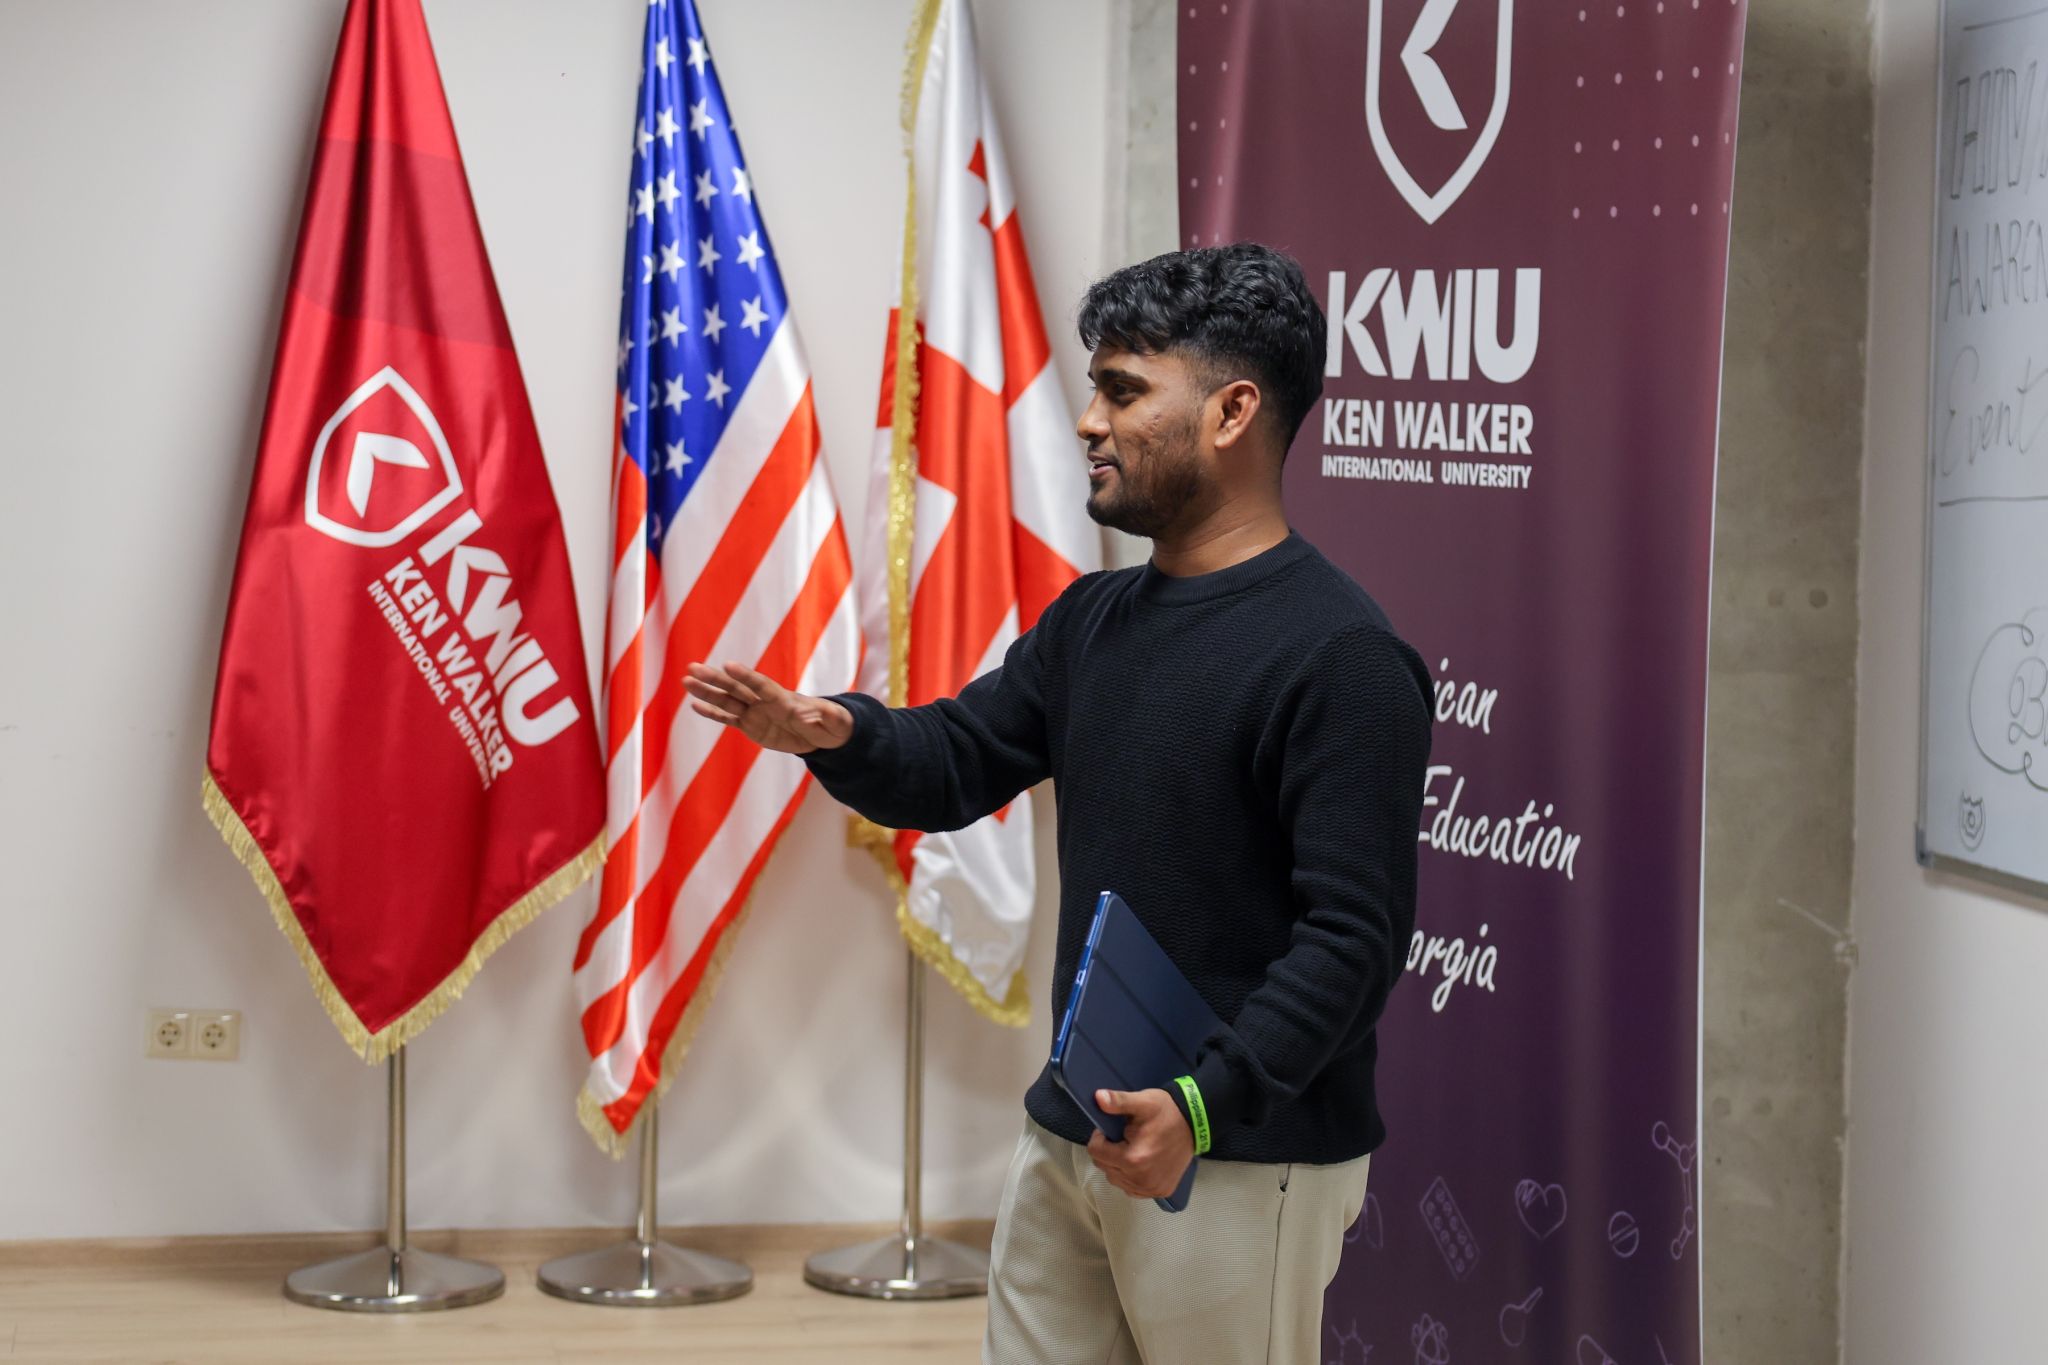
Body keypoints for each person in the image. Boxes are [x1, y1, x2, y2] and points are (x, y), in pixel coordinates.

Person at [685, 243, 1432, 1365]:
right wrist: (836, 731)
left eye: (1123, 391)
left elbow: (1352, 940)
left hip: (1235, 1150)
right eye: (1094, 388)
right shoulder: (1092, 620)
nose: (1089, 421)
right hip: (1075, 1124)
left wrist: (1201, 1103)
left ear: (1232, 413)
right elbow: (958, 758)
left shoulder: (1344, 656)